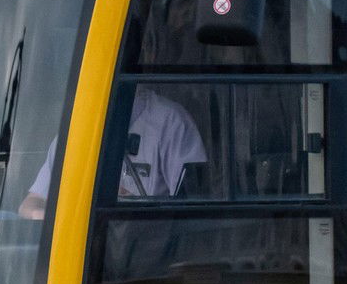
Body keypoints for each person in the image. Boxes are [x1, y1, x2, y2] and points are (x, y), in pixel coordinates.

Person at [17, 86, 207, 219]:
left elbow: (192, 209)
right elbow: (31, 203)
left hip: (153, 257)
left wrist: (132, 204)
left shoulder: (170, 122)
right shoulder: (73, 132)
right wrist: (55, 218)